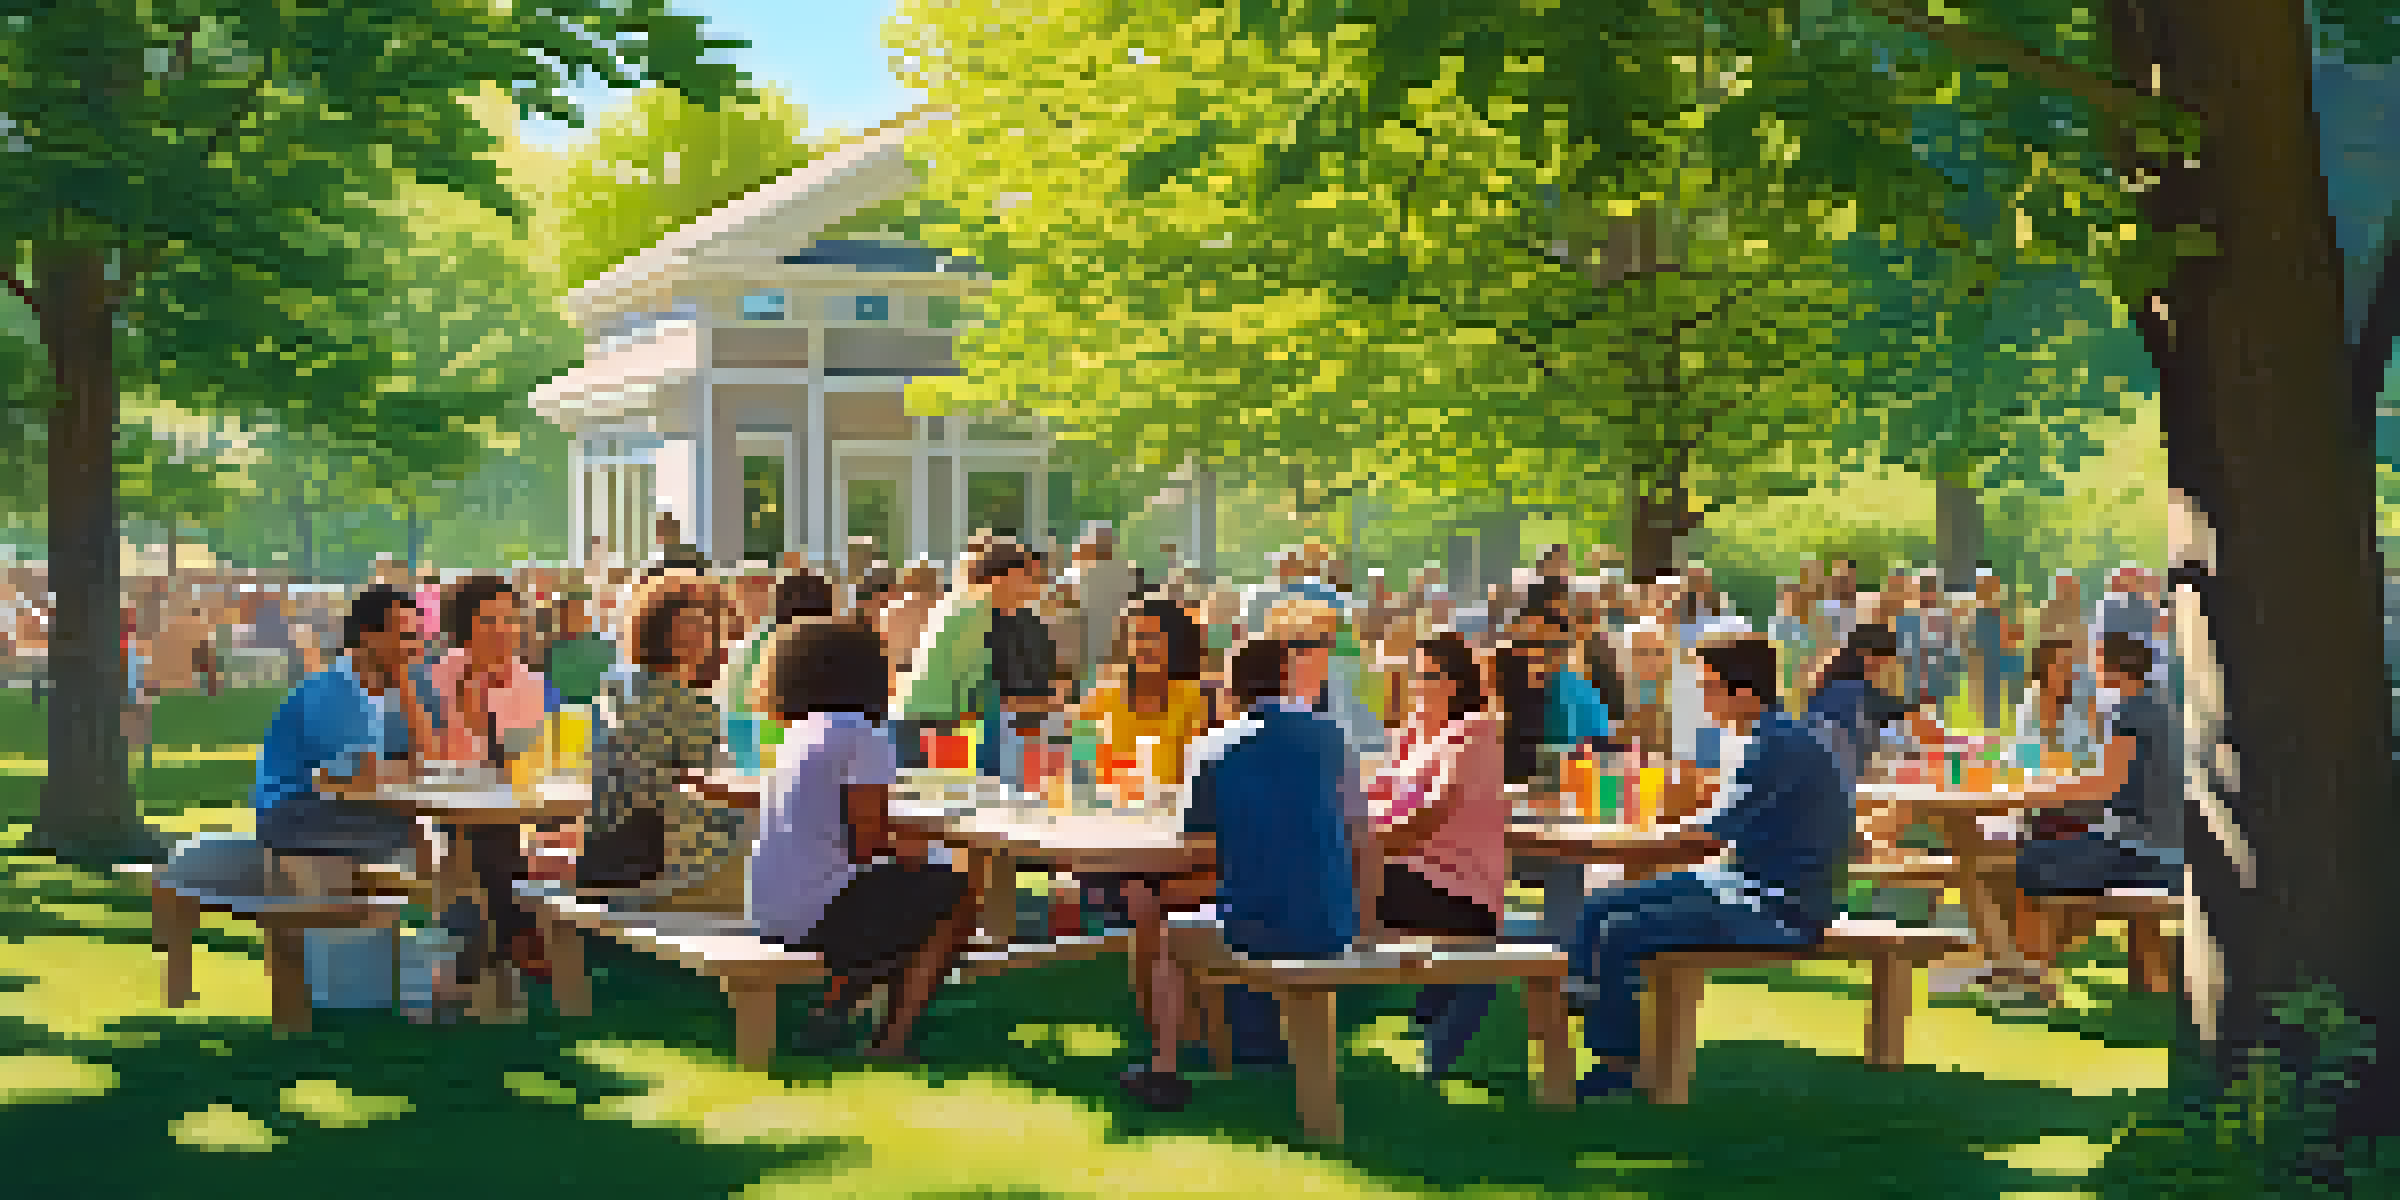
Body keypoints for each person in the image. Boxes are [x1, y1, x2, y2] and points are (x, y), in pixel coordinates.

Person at [1567, 636, 1850, 1099]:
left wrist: (1653, 833)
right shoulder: (1771, 737)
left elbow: (1711, 834)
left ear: (1744, 694)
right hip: (1742, 885)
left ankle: (1613, 1062)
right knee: (1599, 908)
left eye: (1708, 687)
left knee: (1618, 933)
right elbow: (1717, 826)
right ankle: (1584, 998)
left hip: (1781, 908)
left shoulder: (1777, 746)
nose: (1701, 698)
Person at [1120, 606, 1379, 1110]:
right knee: (1202, 901)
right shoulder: (1332, 737)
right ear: (1285, 679)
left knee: (1162, 920)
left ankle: (1167, 1064)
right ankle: (1231, 1043)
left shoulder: (1216, 745)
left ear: (1230, 688)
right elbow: (1361, 834)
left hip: (1259, 924)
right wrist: (1364, 920)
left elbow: (1192, 836)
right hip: (1334, 919)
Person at [749, 618, 973, 1061]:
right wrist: (917, 846)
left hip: (769, 906)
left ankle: (837, 1007)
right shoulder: (862, 735)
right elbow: (867, 843)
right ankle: (893, 1038)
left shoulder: (802, 732)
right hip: (815, 913)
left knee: (918, 890)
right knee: (957, 893)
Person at [2001, 633, 2183, 1004]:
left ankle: (2033, 983)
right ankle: (2039, 973)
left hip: (2141, 851)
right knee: (2049, 858)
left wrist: (2042, 792)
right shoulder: (2161, 705)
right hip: (2165, 847)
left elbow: (2104, 784)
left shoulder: (2130, 712)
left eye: (2097, 660)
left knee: (2027, 866)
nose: (2090, 669)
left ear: (2116, 667)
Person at [1368, 631, 1507, 1079]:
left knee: (1321, 891)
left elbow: (1429, 817)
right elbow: (1373, 796)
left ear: (1458, 682)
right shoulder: (1414, 735)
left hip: (1457, 893)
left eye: (1431, 678)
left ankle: (1279, 1030)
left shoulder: (1476, 732)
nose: (1420, 688)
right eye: (1416, 677)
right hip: (1410, 876)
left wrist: (1352, 849)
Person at [247, 586, 440, 899]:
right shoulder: (331, 693)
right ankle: (434, 924)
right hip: (293, 811)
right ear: (366, 636)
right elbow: (361, 781)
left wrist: (406, 689)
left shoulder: (395, 691)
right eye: (404, 636)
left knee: (440, 837)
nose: (413, 648)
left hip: (337, 807)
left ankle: (441, 925)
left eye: (415, 636)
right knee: (424, 834)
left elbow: (430, 762)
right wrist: (405, 768)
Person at [576, 579, 748, 911]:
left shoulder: (615, 687)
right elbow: (689, 789)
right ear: (660, 631)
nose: (702, 636)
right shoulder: (690, 706)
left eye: (708, 626)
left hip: (605, 854)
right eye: (692, 624)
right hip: (658, 861)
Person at [425, 576, 553, 976]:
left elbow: (528, 752)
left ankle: (502, 939)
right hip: (447, 801)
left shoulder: (527, 679)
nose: (504, 631)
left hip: (516, 799)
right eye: (490, 620)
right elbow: (437, 753)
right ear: (464, 628)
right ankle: (514, 935)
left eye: (510, 620)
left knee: (500, 833)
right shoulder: (437, 678)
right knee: (488, 834)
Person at [983, 543, 1061, 786]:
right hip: (999, 726)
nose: (1034, 583)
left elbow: (1049, 674)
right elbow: (999, 687)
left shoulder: (1031, 622)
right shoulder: (982, 620)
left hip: (1036, 722)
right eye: (1028, 575)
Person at [541, 588, 617, 708]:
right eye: (568, 613)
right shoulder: (554, 648)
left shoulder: (600, 646)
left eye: (577, 612)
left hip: (593, 707)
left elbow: (609, 681)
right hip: (561, 707)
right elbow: (549, 684)